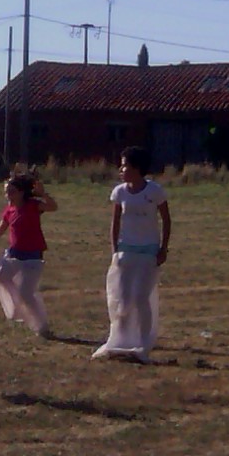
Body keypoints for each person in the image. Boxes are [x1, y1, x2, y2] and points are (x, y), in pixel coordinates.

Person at [93, 146, 170, 361]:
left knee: (141, 298)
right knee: (123, 299)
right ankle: (120, 340)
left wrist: (163, 248)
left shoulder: (154, 191)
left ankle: (143, 344)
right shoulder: (119, 192)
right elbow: (115, 222)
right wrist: (114, 251)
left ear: (137, 168)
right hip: (126, 251)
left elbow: (166, 220)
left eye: (125, 165)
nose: (121, 169)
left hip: (148, 252)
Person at [0, 170, 58, 336]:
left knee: (26, 294)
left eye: (11, 192)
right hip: (13, 255)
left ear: (21, 192)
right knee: (0, 275)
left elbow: (53, 207)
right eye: (6, 192)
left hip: (32, 257)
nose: (7, 195)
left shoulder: (33, 205)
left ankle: (42, 327)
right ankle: (17, 308)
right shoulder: (9, 210)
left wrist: (43, 194)